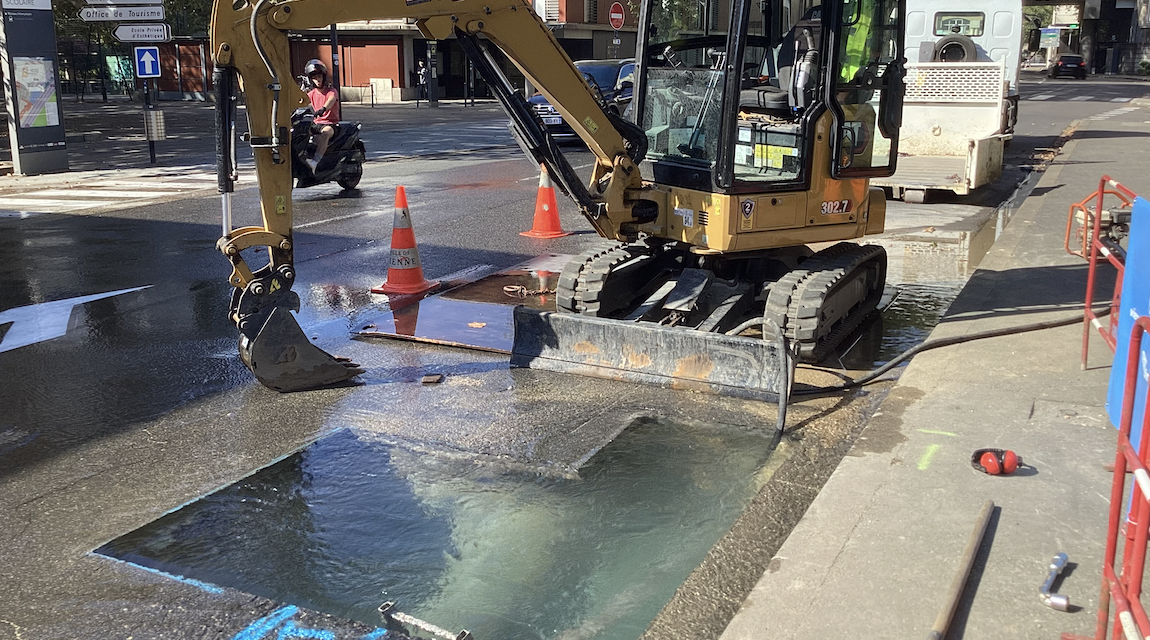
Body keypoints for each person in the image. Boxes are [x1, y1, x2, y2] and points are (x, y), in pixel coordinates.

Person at [303, 58, 340, 173]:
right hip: (315, 124)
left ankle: (315, 162)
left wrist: (323, 108)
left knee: (325, 133)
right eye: (314, 78)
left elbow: (331, 100)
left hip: (330, 124)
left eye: (319, 77)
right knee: (300, 132)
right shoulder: (311, 94)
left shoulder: (331, 91)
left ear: (324, 77)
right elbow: (300, 101)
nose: (317, 80)